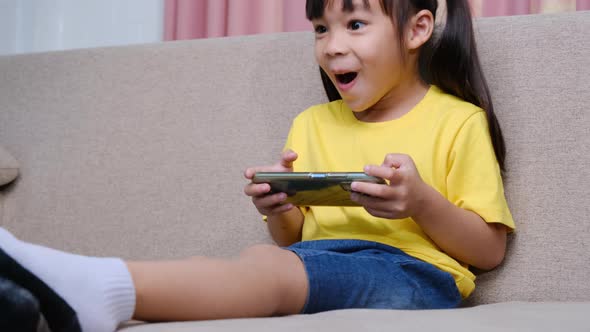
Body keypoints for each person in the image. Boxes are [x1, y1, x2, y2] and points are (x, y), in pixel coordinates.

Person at [0, 0, 515, 331]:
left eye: (355, 24)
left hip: (417, 276)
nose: (332, 45)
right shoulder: (312, 123)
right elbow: (295, 243)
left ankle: (98, 287)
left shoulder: (458, 120)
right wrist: (279, 209)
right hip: (321, 260)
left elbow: (489, 250)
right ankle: (42, 296)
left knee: (269, 271)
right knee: (261, 259)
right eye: (320, 28)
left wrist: (420, 202)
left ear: (417, 29)